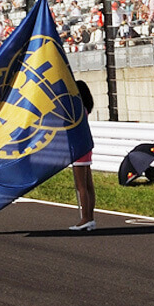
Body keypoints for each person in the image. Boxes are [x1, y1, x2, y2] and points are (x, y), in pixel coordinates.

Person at [68, 80, 97, 231]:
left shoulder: (77, 109)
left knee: (81, 187)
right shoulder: (85, 108)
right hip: (85, 146)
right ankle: (89, 217)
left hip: (78, 148)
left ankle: (85, 218)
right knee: (88, 185)